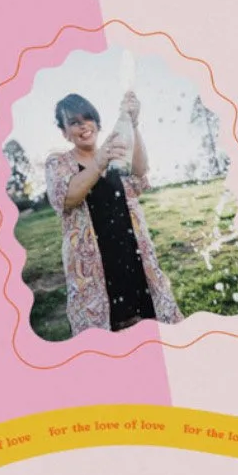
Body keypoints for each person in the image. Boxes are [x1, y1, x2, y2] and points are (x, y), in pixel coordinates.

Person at [41, 90, 181, 335]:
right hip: (95, 272)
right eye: (74, 122)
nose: (83, 126)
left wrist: (133, 124)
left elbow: (139, 170)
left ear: (97, 123)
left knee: (152, 329)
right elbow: (66, 198)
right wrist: (99, 162)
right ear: (64, 132)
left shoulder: (114, 153)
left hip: (135, 259)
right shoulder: (59, 163)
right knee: (108, 342)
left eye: (88, 118)